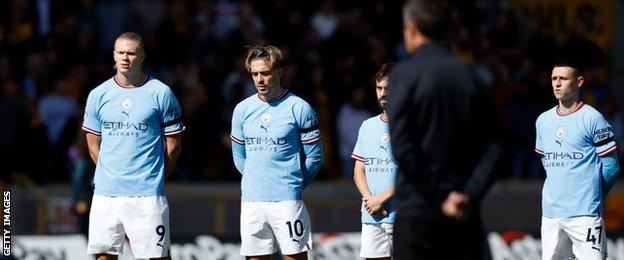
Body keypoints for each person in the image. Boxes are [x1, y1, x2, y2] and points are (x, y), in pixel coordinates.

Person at [387, 1, 501, 259]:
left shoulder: (404, 75)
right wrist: (467, 195)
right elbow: (494, 146)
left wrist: (441, 197)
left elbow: (403, 147)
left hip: (417, 215)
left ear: (412, 28)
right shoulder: (472, 76)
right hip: (464, 214)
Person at [82, 32, 184, 260]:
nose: (125, 58)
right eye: (121, 52)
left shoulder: (161, 92)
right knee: (104, 256)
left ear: (142, 56)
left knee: (158, 256)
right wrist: (111, 172)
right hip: (106, 194)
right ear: (114, 55)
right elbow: (92, 146)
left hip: (147, 194)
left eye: (131, 53)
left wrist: (156, 176)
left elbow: (174, 145)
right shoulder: (98, 94)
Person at [230, 45, 323, 260]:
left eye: (265, 72)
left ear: (279, 72)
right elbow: (239, 156)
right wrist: (257, 180)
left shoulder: (299, 108)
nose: (259, 79)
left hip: (287, 201)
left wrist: (293, 184)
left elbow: (315, 158)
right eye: (255, 74)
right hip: (252, 202)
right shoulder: (242, 110)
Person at [535, 60, 619, 259]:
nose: (557, 83)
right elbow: (546, 163)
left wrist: (592, 197)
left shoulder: (592, 118)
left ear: (579, 81)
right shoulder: (543, 120)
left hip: (585, 216)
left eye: (563, 78)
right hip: (551, 216)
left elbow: (611, 166)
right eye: (554, 78)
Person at [352, 63, 396, 260]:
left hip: (401, 215)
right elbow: (359, 170)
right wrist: (370, 199)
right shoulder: (367, 126)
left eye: (388, 88)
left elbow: (413, 174)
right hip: (372, 214)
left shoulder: (411, 126)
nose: (383, 93)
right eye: (379, 88)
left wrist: (381, 199)